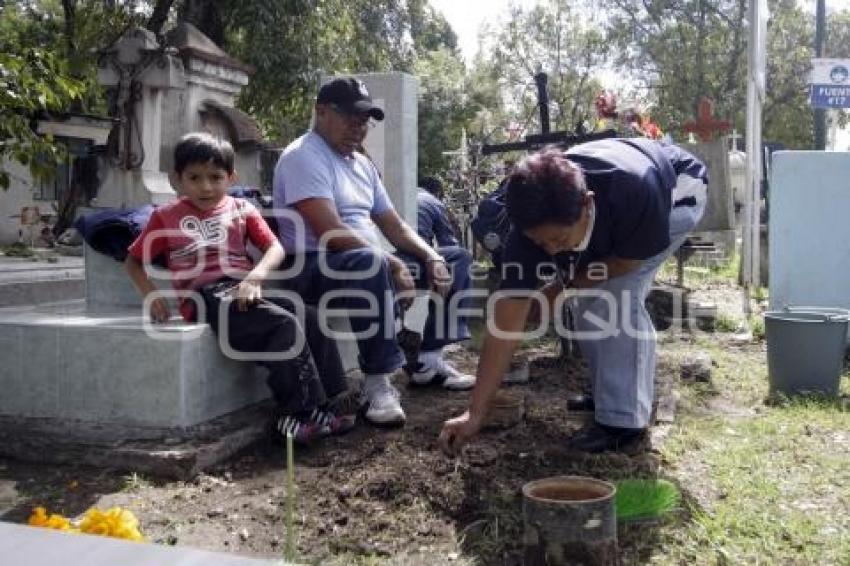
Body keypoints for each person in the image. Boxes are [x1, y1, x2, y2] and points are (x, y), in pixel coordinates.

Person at [440, 137, 708, 454]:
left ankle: (624, 422)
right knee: (589, 295)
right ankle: (610, 394)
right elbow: (505, 328)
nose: (551, 251)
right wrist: (475, 413)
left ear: (587, 204)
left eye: (558, 239)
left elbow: (625, 262)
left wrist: (559, 288)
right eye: (541, 244)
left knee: (615, 296)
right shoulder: (524, 232)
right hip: (619, 197)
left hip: (677, 191)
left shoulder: (634, 191)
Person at [125, 132, 355, 446]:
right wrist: (151, 295)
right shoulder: (164, 217)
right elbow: (133, 262)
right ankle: (296, 413)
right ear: (176, 179)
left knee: (311, 317)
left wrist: (255, 278)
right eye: (194, 177)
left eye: (215, 177)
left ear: (231, 177)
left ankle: (333, 401)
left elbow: (274, 249)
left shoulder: (242, 209)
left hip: (243, 288)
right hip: (205, 297)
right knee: (283, 325)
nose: (205, 187)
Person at [272, 77, 475, 427]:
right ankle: (376, 383)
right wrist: (393, 263)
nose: (359, 127)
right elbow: (332, 233)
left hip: (364, 261)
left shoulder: (361, 165)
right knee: (369, 262)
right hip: (312, 266)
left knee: (455, 258)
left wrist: (431, 256)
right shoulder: (303, 157)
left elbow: (394, 225)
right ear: (321, 112)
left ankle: (427, 360)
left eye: (365, 120)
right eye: (351, 117)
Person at [416, 176, 460, 247]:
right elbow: (448, 242)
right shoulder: (434, 202)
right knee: (461, 254)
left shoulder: (407, 194)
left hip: (395, 251)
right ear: (438, 193)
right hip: (418, 250)